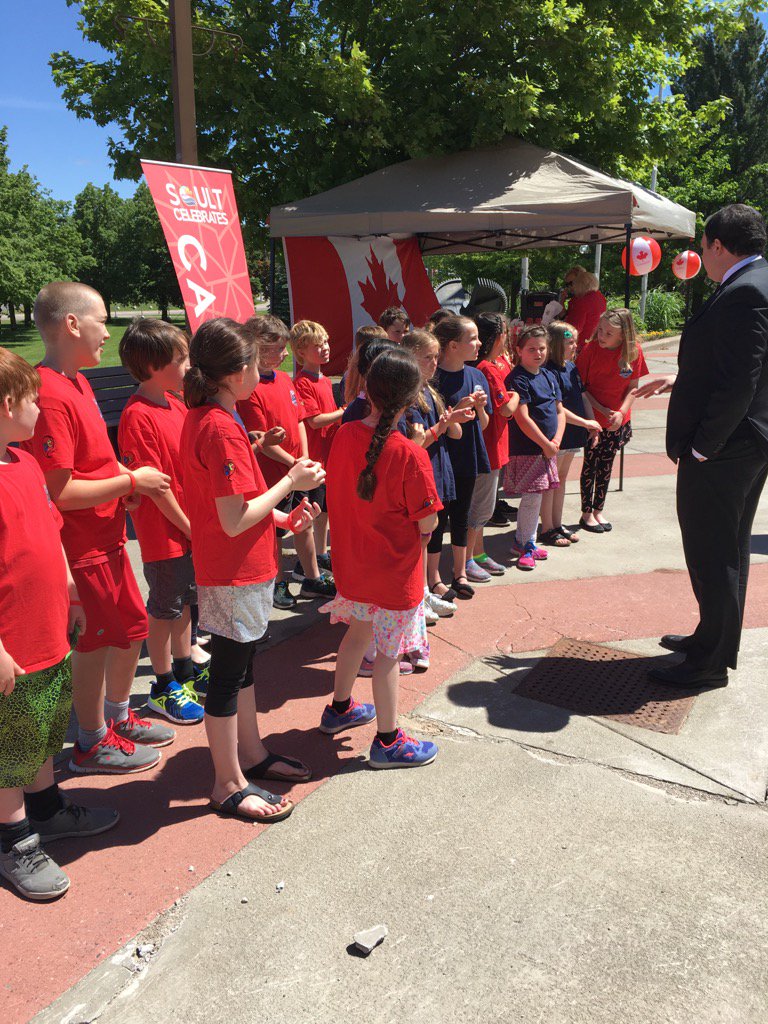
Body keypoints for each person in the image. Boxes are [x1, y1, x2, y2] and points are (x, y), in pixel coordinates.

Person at [22, 282, 174, 775]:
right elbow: (60, 492)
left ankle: (116, 716)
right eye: (102, 321)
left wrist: (122, 481)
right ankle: (90, 740)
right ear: (72, 324)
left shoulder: (79, 383)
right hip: (82, 546)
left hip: (108, 537)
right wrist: (131, 480)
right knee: (94, 641)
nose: (107, 333)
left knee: (130, 629)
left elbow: (94, 465)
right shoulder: (49, 393)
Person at [180, 318, 325, 821]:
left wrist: (284, 518)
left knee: (240, 666)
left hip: (237, 565)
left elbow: (231, 505)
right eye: (254, 363)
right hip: (233, 570)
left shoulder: (214, 415)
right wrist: (290, 481)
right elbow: (234, 517)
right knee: (227, 673)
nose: (262, 370)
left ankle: (251, 755)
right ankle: (227, 782)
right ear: (236, 372)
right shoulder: (220, 425)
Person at [0, 347, 118, 901]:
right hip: (11, 646)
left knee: (44, 726)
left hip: (47, 633)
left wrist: (71, 591)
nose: (37, 408)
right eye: (31, 399)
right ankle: (13, 840)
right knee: (9, 748)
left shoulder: (24, 462)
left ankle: (46, 809)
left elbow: (50, 532)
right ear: (7, 404)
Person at [638, 204, 768, 689]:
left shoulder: (746, 291)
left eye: (703, 248)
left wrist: (704, 447)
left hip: (727, 445)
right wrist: (684, 380)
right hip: (747, 440)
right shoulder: (755, 282)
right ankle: (712, 639)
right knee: (728, 548)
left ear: (717, 245)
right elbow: (743, 365)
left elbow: (740, 382)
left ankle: (709, 663)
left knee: (712, 552)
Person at [320, 348, 440, 769]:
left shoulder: (344, 435)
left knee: (357, 636)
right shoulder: (410, 454)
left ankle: (339, 708)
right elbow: (427, 523)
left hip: (353, 564)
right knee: (390, 653)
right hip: (393, 573)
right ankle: (388, 740)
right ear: (413, 397)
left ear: (367, 390)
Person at [117, 318, 205, 726]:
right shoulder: (137, 416)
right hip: (166, 534)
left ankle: (185, 670)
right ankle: (163, 683)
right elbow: (157, 488)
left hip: (188, 528)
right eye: (181, 358)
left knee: (186, 602)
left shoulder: (176, 402)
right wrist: (190, 527)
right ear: (153, 366)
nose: (189, 365)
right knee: (164, 609)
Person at [237, 315, 335, 609]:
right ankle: (278, 582)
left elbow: (300, 419)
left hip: (296, 469)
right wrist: (294, 463)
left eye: (283, 348)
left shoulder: (283, 379)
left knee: (304, 522)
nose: (283, 354)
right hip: (273, 475)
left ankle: (312, 577)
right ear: (255, 347)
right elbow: (263, 442)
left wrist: (302, 457)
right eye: (276, 348)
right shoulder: (250, 388)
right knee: (276, 531)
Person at [402, 329, 468, 619]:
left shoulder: (431, 390)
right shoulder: (409, 395)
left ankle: (425, 589)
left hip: (439, 469)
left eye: (436, 357)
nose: (434, 363)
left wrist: (454, 418)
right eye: (427, 357)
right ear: (410, 358)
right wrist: (442, 425)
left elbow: (455, 433)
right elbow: (418, 442)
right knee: (420, 538)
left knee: (432, 533)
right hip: (422, 472)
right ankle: (417, 595)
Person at [428, 316, 491, 600]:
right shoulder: (434, 379)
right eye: (472, 339)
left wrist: (480, 409)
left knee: (462, 515)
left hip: (469, 454)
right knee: (439, 517)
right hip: (441, 458)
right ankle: (433, 577)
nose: (479, 344)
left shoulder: (476, 376)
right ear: (453, 345)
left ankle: (460, 572)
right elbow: (437, 426)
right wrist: (458, 410)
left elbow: (484, 424)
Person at [576, 309, 648, 533]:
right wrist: (602, 410)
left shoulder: (633, 351)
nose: (601, 336)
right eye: (600, 330)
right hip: (593, 419)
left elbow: (633, 387)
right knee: (591, 464)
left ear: (623, 335)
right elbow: (580, 388)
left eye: (608, 333)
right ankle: (586, 513)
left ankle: (598, 509)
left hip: (617, 420)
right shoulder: (590, 350)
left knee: (606, 465)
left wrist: (621, 413)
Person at [505, 326, 564, 571]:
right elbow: (522, 417)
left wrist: (556, 441)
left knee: (536, 496)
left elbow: (559, 410)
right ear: (519, 351)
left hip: (547, 449)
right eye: (531, 349)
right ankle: (523, 544)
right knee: (531, 498)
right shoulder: (518, 378)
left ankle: (527, 540)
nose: (538, 353)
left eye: (542, 348)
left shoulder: (548, 375)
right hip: (528, 448)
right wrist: (545, 444)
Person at [464, 313, 518, 581]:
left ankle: (478, 553)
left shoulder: (489, 364)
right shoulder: (487, 368)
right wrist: (517, 394)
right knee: (480, 508)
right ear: (499, 337)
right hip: (489, 449)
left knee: (481, 508)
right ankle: (467, 560)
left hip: (489, 447)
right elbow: (506, 408)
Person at [540, 322, 602, 546]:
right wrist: (585, 422)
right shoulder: (548, 371)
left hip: (574, 432)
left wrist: (591, 424)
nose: (576, 346)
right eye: (570, 342)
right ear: (556, 344)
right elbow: (558, 408)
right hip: (558, 434)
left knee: (562, 478)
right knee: (551, 481)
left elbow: (582, 396)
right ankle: (547, 527)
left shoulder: (571, 367)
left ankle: (557, 524)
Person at [290, 320, 344, 566]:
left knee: (324, 510)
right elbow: (314, 421)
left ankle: (321, 553)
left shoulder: (324, 379)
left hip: (329, 454)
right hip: (315, 458)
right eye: (318, 345)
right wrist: (344, 411)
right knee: (312, 509)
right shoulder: (302, 382)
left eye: (326, 342)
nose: (325, 348)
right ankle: (309, 560)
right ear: (301, 352)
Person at [561, 266, 607, 347]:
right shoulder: (600, 297)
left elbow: (573, 330)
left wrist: (558, 336)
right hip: (595, 342)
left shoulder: (581, 301)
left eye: (572, 283)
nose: (570, 287)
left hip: (580, 345)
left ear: (579, 283)